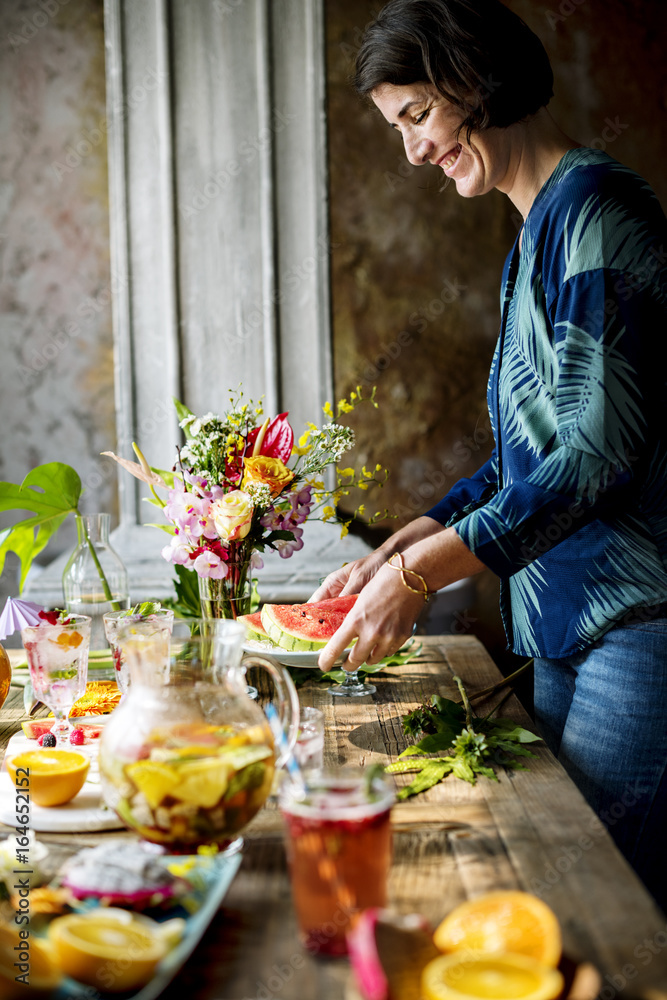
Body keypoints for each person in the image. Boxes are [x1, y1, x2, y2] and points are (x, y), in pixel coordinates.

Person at [312, 0, 667, 911]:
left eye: (418, 116)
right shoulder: (533, 234)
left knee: (597, 906)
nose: (414, 153)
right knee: (557, 899)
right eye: (400, 129)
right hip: (561, 621)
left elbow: (594, 454)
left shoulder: (596, 211)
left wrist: (425, 577)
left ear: (474, 81)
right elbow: (525, 457)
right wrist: (402, 546)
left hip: (637, 619)